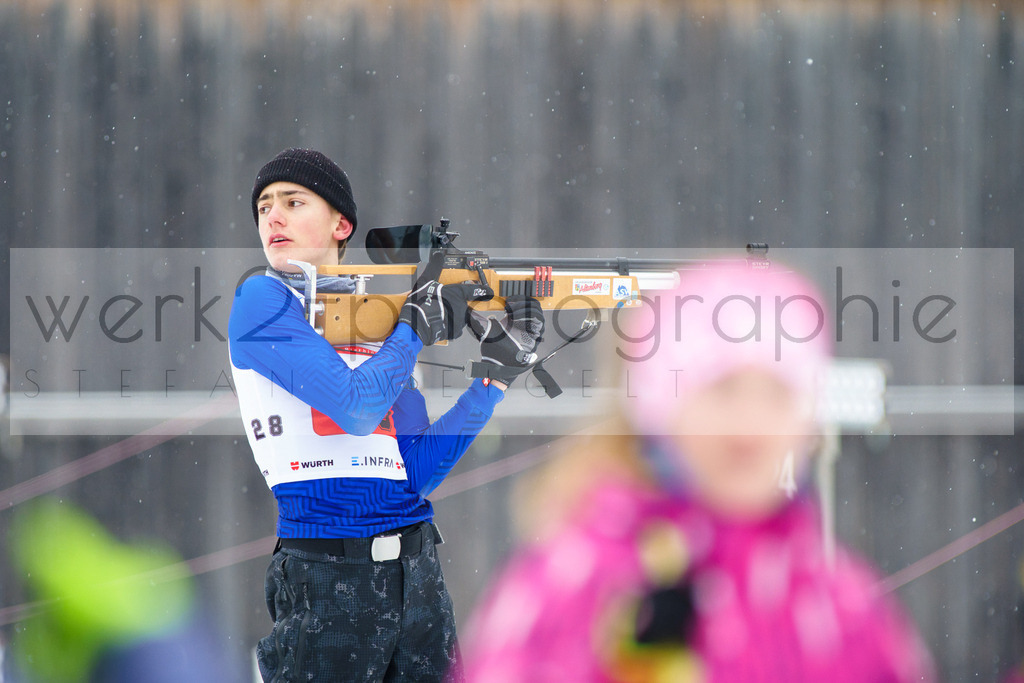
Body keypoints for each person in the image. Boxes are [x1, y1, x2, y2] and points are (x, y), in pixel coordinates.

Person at [459, 262, 936, 682]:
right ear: (661, 407)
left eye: (777, 392)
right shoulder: (577, 580)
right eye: (722, 388)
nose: (750, 419)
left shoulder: (841, 603)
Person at [228, 148, 544, 682]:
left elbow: (415, 474)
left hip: (418, 576)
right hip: (325, 576)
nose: (272, 217)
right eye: (263, 207)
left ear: (340, 223)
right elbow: (356, 408)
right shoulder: (261, 298)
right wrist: (414, 329)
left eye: (292, 201)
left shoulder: (377, 322)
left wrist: (496, 377)